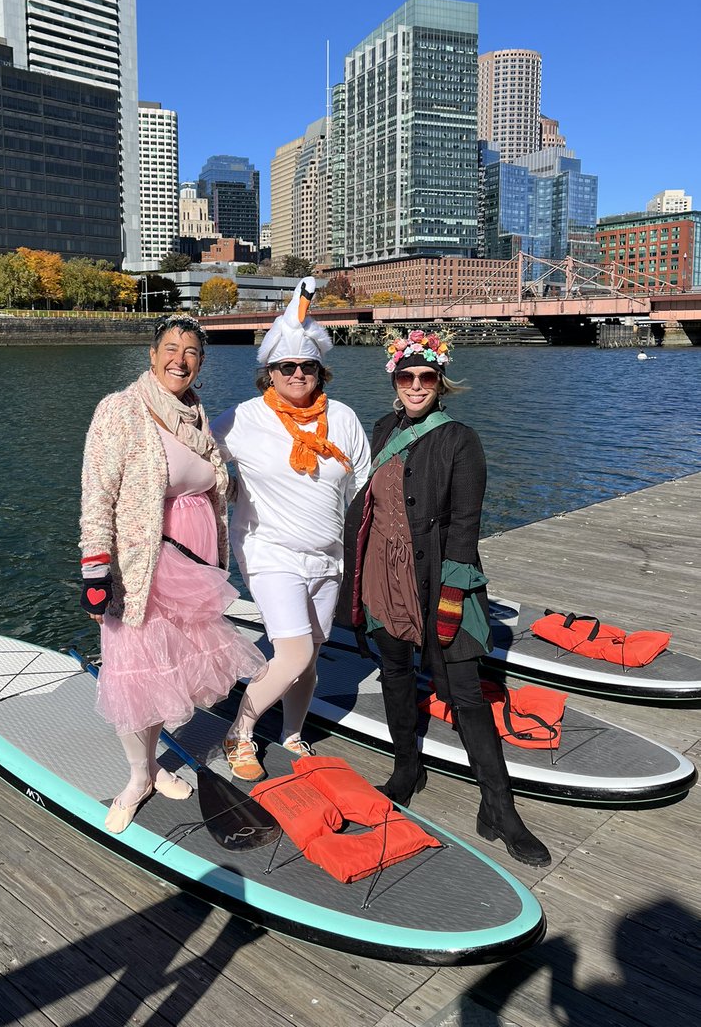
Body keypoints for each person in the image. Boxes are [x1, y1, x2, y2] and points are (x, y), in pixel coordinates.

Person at [338, 329, 551, 867]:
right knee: (395, 674)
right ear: (394, 379)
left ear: (439, 382)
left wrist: (454, 596)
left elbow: (465, 526)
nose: (415, 385)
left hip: (439, 582)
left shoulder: (461, 439)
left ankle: (499, 807)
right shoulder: (383, 428)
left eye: (425, 377)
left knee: (466, 693)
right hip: (382, 579)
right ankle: (407, 768)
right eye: (406, 376)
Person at [79, 313, 266, 833]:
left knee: (170, 673)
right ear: (151, 354)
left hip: (195, 564)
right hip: (145, 566)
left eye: (191, 351)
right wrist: (95, 571)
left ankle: (154, 762)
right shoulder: (122, 410)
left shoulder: (196, 414)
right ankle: (138, 776)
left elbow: (209, 480)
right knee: (133, 673)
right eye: (170, 347)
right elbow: (98, 494)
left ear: (201, 364)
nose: (179, 358)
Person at [212, 278, 370, 780]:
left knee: (312, 653)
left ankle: (293, 732)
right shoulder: (242, 418)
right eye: (286, 367)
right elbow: (196, 456)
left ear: (321, 370)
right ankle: (240, 731)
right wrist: (225, 486)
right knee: (293, 649)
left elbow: (360, 487)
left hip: (328, 555)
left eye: (307, 366)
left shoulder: (343, 419)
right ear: (269, 373)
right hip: (269, 549)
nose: (298, 374)